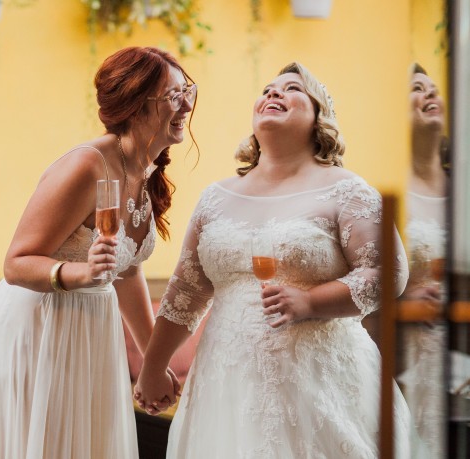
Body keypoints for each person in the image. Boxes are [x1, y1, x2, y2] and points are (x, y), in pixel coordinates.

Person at [135, 62, 420, 457]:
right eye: (268, 89)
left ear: (320, 117)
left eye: (292, 89)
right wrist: (152, 368)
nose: (273, 93)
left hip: (320, 384)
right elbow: (186, 293)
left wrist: (310, 302)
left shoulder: (346, 189)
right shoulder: (216, 198)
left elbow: (389, 273)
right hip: (227, 385)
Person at [0, 46, 196, 459]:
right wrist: (80, 275)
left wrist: (154, 364)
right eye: (172, 95)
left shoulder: (143, 171)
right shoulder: (87, 166)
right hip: (37, 334)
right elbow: (17, 262)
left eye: (187, 90)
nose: (186, 103)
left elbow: (128, 271)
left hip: (88, 332)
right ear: (136, 107)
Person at [397, 63, 448, 457]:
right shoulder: (387, 192)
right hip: (410, 359)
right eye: (417, 88)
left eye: (433, 88)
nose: (431, 94)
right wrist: (403, 305)